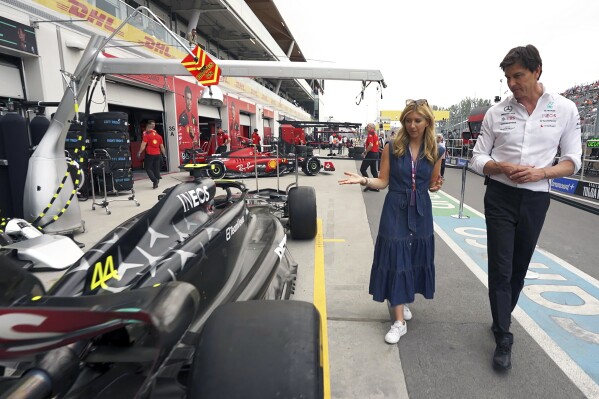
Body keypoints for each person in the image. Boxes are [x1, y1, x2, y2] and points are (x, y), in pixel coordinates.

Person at [470, 45, 582, 371]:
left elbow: (572, 161)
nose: (512, 83)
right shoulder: (497, 112)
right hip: (500, 196)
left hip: (536, 198)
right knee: (501, 269)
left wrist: (541, 172)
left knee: (518, 269)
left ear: (537, 72)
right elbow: (478, 158)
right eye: (507, 77)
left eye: (518, 76)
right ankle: (504, 335)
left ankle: (501, 316)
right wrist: (501, 166)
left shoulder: (565, 109)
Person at [339, 99, 444, 344]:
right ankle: (399, 321)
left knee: (414, 256)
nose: (412, 125)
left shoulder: (437, 151)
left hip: (421, 208)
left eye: (417, 120)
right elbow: (382, 181)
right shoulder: (391, 147)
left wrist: (436, 187)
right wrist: (364, 181)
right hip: (395, 206)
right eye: (408, 121)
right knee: (396, 257)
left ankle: (403, 297)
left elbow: (432, 183)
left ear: (428, 122)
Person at [137, 120, 167, 189]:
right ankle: (156, 182)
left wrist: (139, 152)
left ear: (147, 127)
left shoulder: (146, 135)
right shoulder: (159, 136)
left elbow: (143, 145)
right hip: (158, 154)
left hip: (150, 154)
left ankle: (154, 180)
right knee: (156, 168)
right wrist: (164, 154)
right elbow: (162, 147)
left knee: (147, 168)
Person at [359, 123, 380, 192]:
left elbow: (370, 145)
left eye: (368, 126)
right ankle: (377, 186)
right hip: (375, 153)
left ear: (372, 128)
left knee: (362, 169)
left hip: (371, 154)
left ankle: (369, 184)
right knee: (373, 170)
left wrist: (365, 152)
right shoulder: (375, 134)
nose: (366, 127)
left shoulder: (370, 134)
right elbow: (377, 144)